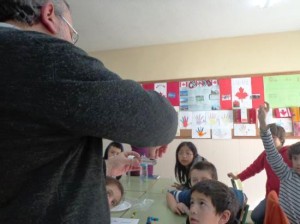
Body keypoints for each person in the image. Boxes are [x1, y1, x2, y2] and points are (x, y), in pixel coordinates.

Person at [0, 1, 178, 223]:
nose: (71, 43)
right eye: (72, 33)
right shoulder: (46, 56)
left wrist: (105, 166)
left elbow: (27, 168)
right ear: (49, 14)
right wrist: (151, 133)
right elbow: (160, 120)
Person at [227, 123, 292, 224]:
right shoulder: (265, 154)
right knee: (255, 216)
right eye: (266, 138)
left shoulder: (290, 153)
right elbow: (253, 168)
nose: (269, 141)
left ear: (281, 139)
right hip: (270, 196)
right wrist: (238, 177)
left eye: (273, 138)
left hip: (288, 198)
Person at [258, 102, 300, 223]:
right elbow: (271, 152)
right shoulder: (287, 175)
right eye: (295, 158)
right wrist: (262, 122)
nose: (298, 163)